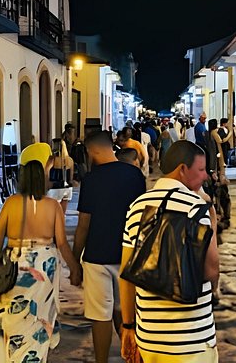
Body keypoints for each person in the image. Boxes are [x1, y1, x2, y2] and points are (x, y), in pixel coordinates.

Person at [120, 141, 220, 363]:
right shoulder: (196, 207)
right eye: (201, 169)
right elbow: (211, 271)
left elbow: (126, 274)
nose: (205, 176)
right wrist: (211, 217)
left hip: (150, 338)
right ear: (183, 169)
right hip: (192, 338)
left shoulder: (137, 206)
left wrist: (128, 326)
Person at [0, 160, 82, 362]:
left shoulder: (11, 203)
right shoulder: (53, 206)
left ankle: (6, 354)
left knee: (7, 312)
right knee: (39, 314)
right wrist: (75, 268)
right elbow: (62, 243)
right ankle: (31, 356)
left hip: (15, 261)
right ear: (43, 179)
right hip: (44, 265)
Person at [73, 131, 146, 363]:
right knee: (124, 312)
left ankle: (102, 361)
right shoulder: (135, 175)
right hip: (128, 253)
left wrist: (75, 260)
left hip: (97, 255)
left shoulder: (91, 180)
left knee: (99, 315)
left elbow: (84, 224)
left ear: (93, 150)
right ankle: (132, 358)